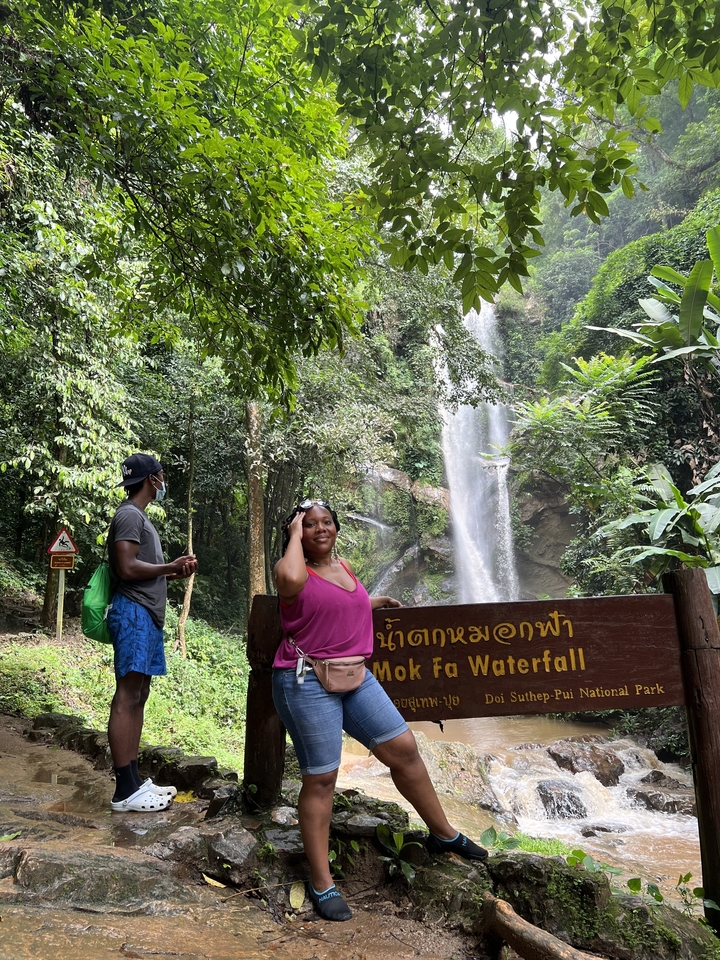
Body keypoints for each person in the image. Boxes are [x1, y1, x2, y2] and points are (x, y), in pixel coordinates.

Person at [272, 498, 488, 922]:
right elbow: (294, 581)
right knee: (321, 777)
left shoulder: (345, 567)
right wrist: (294, 533)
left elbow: (334, 605)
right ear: (297, 530)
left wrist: (373, 602)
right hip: (307, 680)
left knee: (404, 748)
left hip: (356, 675)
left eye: (327, 522)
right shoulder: (291, 569)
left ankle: (443, 834)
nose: (321, 529)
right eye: (310, 524)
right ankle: (321, 882)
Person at [106, 453, 197, 813]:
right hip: (132, 613)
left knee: (139, 692)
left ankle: (134, 779)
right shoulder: (129, 514)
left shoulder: (138, 517)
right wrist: (169, 566)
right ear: (152, 480)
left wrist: (175, 571)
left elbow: (142, 568)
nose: (163, 482)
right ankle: (123, 789)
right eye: (160, 476)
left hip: (145, 615)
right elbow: (127, 567)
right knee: (128, 694)